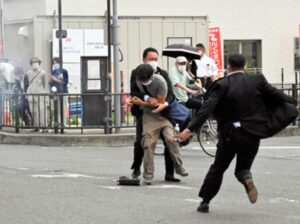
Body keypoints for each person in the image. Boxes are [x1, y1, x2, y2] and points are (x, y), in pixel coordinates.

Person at [178, 54, 297, 213]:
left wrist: (189, 129)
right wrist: (295, 104)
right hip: (253, 133)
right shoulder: (257, 80)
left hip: (230, 134)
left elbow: (206, 109)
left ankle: (205, 201)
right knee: (243, 167)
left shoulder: (221, 84)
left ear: (228, 67)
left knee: (218, 168)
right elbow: (278, 95)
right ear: (245, 66)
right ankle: (246, 176)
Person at [128, 47, 182, 182]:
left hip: (162, 113)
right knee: (142, 141)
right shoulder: (136, 72)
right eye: (151, 59)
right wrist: (147, 98)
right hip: (143, 113)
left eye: (155, 59)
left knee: (169, 141)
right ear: (144, 59)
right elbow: (134, 91)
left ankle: (170, 173)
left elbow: (170, 93)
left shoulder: (163, 74)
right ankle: (136, 169)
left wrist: (165, 103)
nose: (153, 62)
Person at [26, 57, 49, 132]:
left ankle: (44, 126)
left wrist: (43, 92)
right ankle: (36, 126)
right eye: (33, 62)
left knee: (42, 110)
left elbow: (45, 84)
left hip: (40, 94)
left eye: (36, 62)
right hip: (31, 94)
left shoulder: (43, 73)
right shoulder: (28, 73)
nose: (35, 63)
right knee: (33, 111)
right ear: (31, 64)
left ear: (39, 63)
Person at [50, 57, 69, 127]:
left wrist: (56, 79)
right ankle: (57, 122)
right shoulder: (53, 72)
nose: (55, 65)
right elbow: (51, 83)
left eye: (56, 63)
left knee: (63, 108)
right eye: (53, 63)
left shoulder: (64, 71)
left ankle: (64, 123)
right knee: (56, 108)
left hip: (63, 91)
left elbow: (65, 82)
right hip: (55, 92)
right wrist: (51, 80)